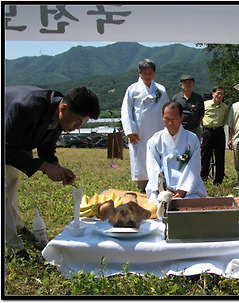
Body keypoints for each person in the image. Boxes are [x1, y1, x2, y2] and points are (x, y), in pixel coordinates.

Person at [5, 85, 100, 260]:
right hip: (6, 142)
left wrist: (57, 166)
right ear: (64, 108)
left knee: (11, 181)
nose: (77, 127)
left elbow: (46, 146)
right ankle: (13, 249)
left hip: (12, 143)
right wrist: (45, 167)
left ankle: (17, 226)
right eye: (77, 122)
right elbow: (7, 150)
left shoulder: (59, 114)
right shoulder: (26, 107)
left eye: (82, 124)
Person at [121, 59, 169, 193]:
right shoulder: (132, 89)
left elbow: (166, 108)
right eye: (145, 73)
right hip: (139, 133)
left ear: (154, 73)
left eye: (150, 73)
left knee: (158, 156)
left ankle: (159, 184)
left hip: (158, 129)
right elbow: (126, 111)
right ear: (140, 73)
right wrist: (130, 131)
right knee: (140, 159)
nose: (148, 76)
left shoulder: (161, 89)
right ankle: (142, 186)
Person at [146, 101, 207, 202]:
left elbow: (194, 166)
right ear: (162, 117)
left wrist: (182, 191)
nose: (170, 123)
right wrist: (163, 190)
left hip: (188, 188)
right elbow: (153, 167)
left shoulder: (192, 139)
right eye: (167, 119)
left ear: (181, 117)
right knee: (156, 202)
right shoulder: (155, 140)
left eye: (174, 119)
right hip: (162, 187)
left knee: (191, 202)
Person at [200, 86, 229, 185]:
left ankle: (218, 180)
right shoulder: (205, 104)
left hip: (219, 132)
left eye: (222, 94)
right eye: (218, 93)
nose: (220, 96)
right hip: (208, 132)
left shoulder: (225, 107)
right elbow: (201, 117)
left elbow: (225, 120)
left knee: (220, 157)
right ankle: (203, 178)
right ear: (213, 94)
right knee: (205, 156)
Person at [172, 75, 205, 140]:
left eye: (190, 82)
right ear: (181, 85)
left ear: (193, 84)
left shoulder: (199, 98)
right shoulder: (176, 98)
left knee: (195, 148)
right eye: (185, 83)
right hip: (179, 129)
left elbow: (201, 114)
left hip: (194, 129)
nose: (187, 84)